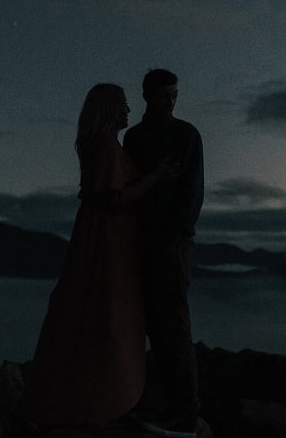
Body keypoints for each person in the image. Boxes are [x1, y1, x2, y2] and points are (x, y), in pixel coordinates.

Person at [15, 83, 177, 429]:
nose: (129, 112)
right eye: (123, 106)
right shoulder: (105, 147)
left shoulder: (98, 146)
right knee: (109, 312)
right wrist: (157, 177)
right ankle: (103, 399)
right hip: (108, 240)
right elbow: (116, 199)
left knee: (91, 309)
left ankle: (86, 395)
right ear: (109, 110)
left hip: (99, 237)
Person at [123, 69, 204, 437]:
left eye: (175, 94)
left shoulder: (187, 135)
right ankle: (161, 404)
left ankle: (185, 415)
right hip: (140, 244)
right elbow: (127, 187)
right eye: (164, 95)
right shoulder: (135, 138)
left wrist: (176, 237)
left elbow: (192, 193)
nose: (171, 101)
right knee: (150, 326)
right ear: (146, 95)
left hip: (170, 245)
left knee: (173, 326)